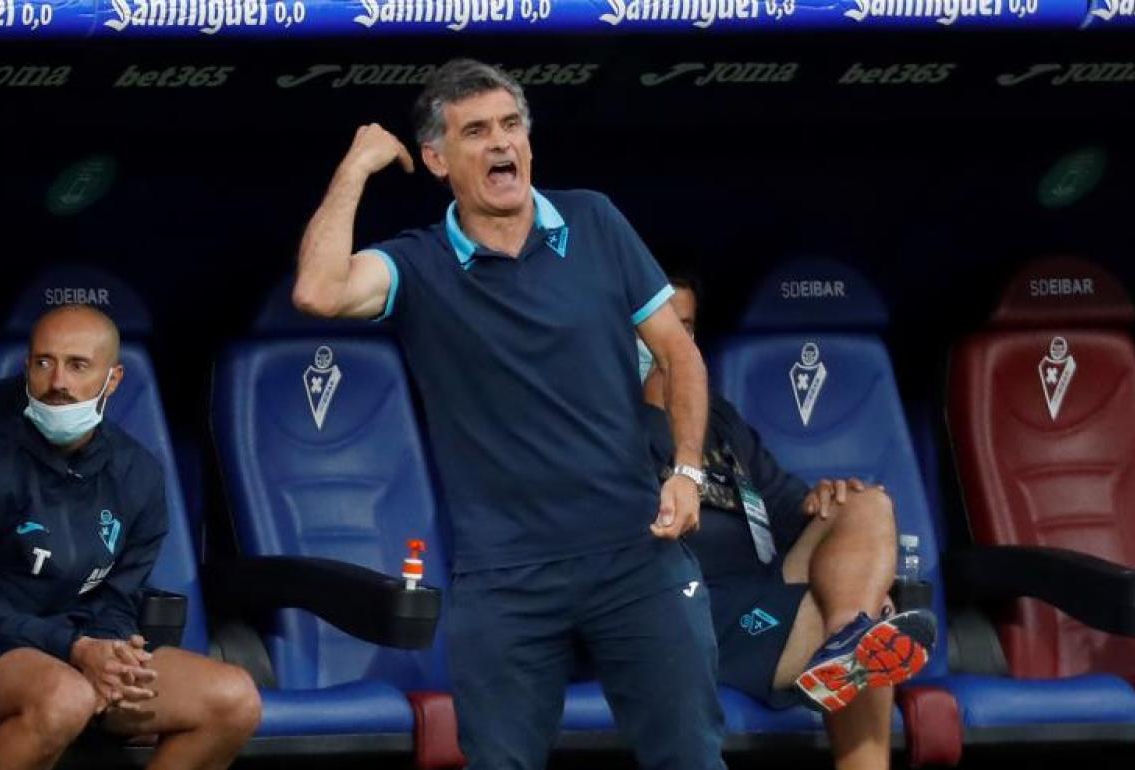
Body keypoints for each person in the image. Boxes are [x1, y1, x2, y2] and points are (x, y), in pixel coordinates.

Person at [292, 59, 726, 769]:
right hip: (504, 577)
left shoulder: (594, 219)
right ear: (437, 159)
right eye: (475, 132)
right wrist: (356, 167)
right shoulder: (419, 264)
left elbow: (678, 353)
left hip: (635, 553)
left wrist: (686, 470)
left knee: (691, 759)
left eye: (511, 125)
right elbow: (317, 291)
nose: (501, 142)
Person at [0, 304, 261, 770]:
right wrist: (73, 649)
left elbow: (119, 597)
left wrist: (110, 656)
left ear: (112, 379)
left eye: (78, 365)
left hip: (80, 650)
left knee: (233, 698)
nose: (58, 382)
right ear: (27, 367)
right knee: (65, 696)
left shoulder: (136, 473)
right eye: (44, 362)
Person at [639, 275, 936, 770]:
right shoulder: (605, 423)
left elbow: (785, 508)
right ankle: (852, 641)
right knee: (879, 623)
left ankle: (847, 638)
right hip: (690, 609)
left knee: (865, 504)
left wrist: (823, 500)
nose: (675, 341)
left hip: (760, 591)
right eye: (656, 325)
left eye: (686, 327)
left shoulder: (719, 420)